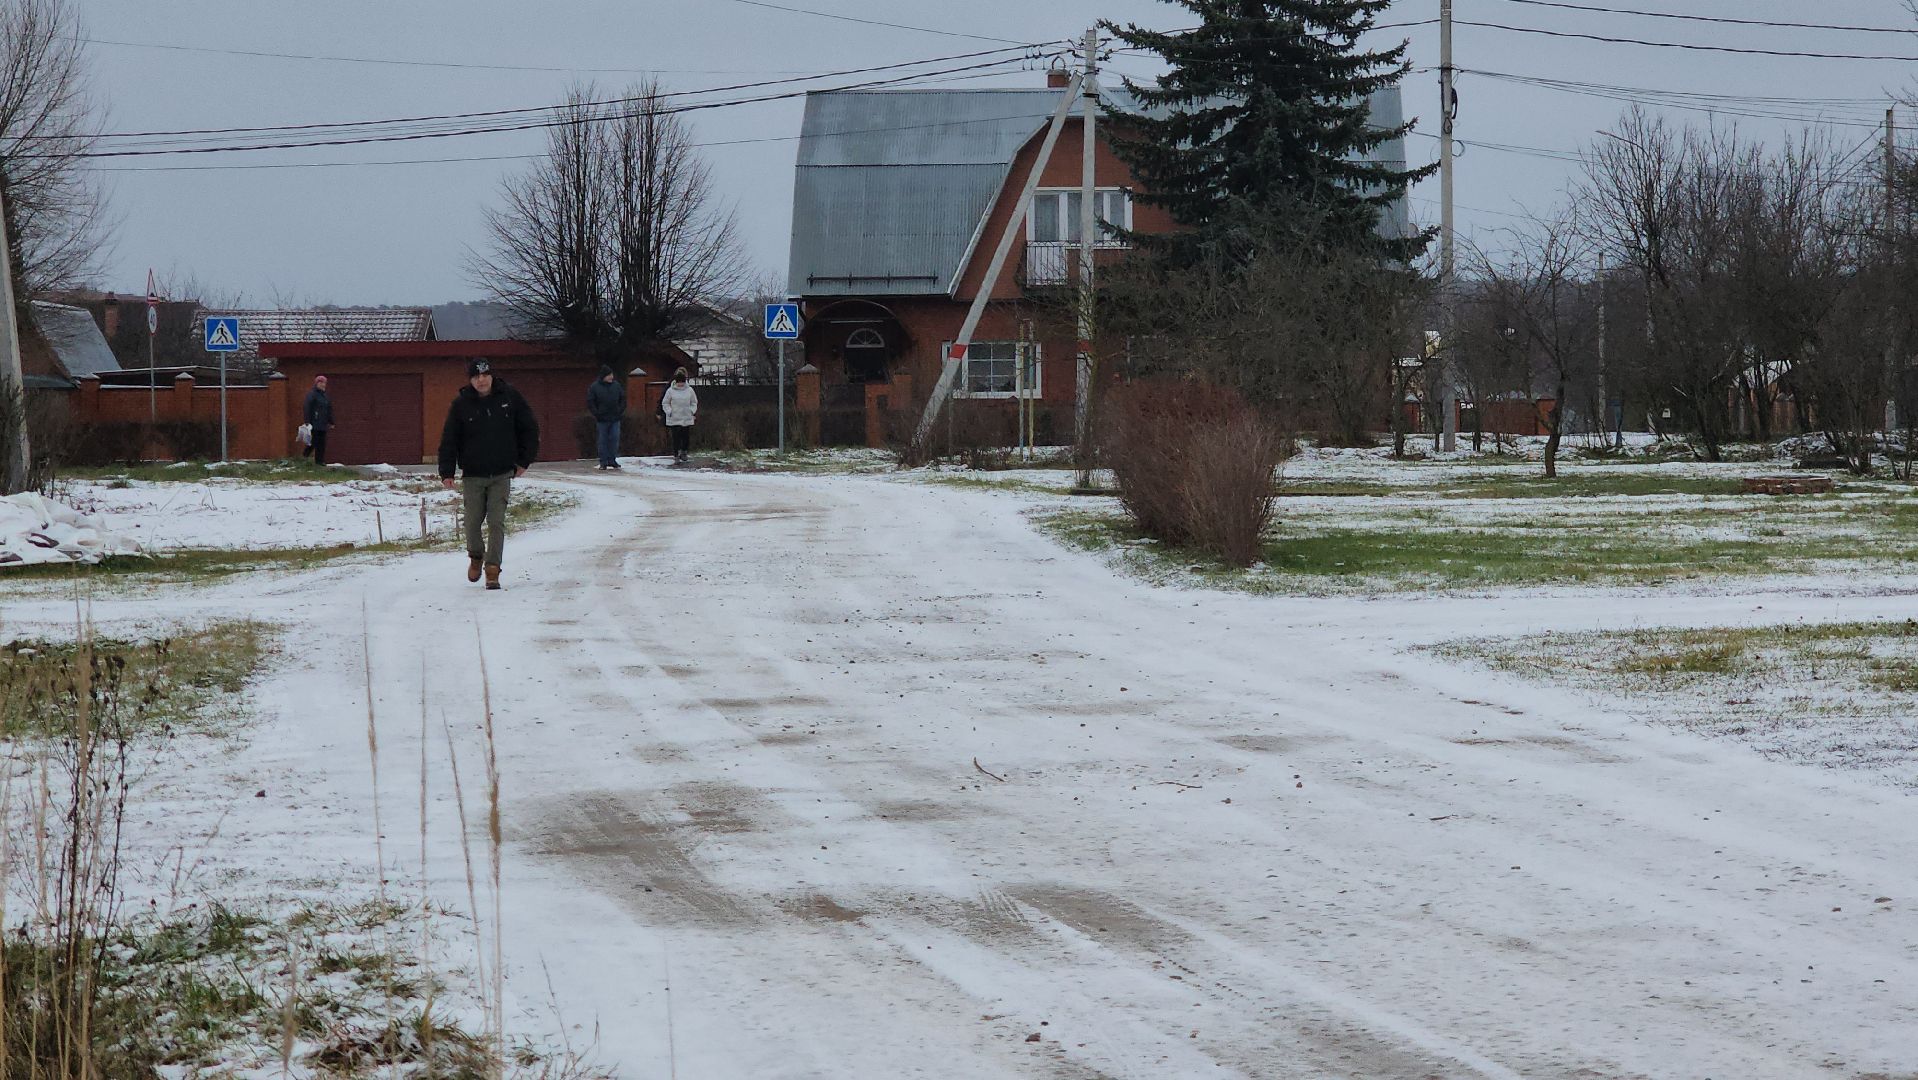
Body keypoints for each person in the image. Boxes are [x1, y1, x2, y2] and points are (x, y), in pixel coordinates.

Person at [438, 359, 539, 591]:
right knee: (472, 522)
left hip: (502, 473)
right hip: (473, 475)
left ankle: (492, 569)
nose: (481, 380)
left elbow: (529, 428)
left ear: (492, 376)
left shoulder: (510, 398)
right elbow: (449, 439)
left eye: (485, 375)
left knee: (496, 522)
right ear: (470, 380)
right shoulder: (461, 405)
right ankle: (476, 555)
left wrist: (524, 461)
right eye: (476, 377)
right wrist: (446, 471)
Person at [586, 366, 626, 471]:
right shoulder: (594, 387)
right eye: (609, 375)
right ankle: (603, 461)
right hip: (602, 419)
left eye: (611, 375)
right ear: (604, 376)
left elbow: (622, 399)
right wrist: (597, 413)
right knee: (603, 440)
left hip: (615, 418)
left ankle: (612, 460)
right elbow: (591, 401)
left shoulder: (616, 386)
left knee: (614, 439)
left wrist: (620, 411)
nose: (611, 377)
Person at [661, 367, 698, 463]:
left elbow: (694, 402)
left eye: (682, 382)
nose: (680, 384)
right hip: (674, 418)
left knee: (685, 437)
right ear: (676, 382)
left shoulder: (689, 390)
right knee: (676, 437)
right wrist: (669, 412)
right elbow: (665, 403)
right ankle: (676, 454)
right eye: (679, 382)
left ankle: (684, 452)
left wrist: (691, 411)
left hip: (686, 417)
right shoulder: (670, 391)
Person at [302, 375, 334, 464]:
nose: (323, 384)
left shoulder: (325, 396)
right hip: (314, 423)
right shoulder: (312, 394)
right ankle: (305, 456)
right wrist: (307, 421)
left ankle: (319, 461)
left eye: (324, 383)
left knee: (322, 443)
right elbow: (307, 407)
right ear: (317, 383)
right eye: (321, 382)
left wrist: (331, 421)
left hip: (322, 423)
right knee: (314, 442)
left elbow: (328, 409)